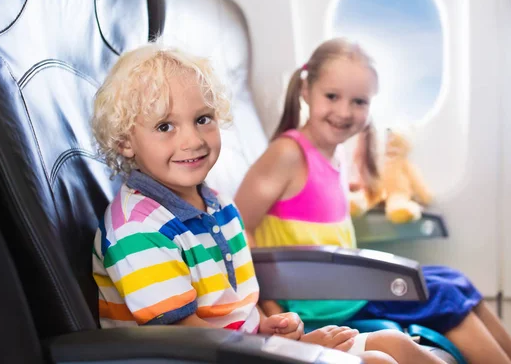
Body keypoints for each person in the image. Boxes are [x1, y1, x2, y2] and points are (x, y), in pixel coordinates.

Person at [90, 41, 444, 364]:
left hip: (240, 352)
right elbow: (186, 337)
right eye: (165, 126)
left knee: (396, 345)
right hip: (200, 357)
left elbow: (237, 312)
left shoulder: (218, 206)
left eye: (202, 119)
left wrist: (270, 330)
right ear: (125, 141)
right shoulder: (137, 228)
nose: (193, 140)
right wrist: (291, 352)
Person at [234, 38, 511, 364]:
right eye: (332, 96)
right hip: (318, 300)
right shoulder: (287, 154)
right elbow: (239, 229)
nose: (344, 111)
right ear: (306, 91)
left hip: (344, 289)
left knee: (454, 281)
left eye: (359, 101)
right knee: (444, 296)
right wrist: (273, 310)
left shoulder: (335, 156)